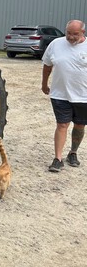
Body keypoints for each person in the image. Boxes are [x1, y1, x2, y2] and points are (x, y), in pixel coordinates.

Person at [41, 19, 87, 172]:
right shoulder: (56, 44)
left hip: (83, 96)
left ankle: (73, 152)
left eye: (75, 34)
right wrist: (44, 84)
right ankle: (58, 158)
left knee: (79, 125)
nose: (71, 37)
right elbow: (47, 65)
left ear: (83, 33)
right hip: (60, 94)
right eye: (68, 33)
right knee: (62, 125)